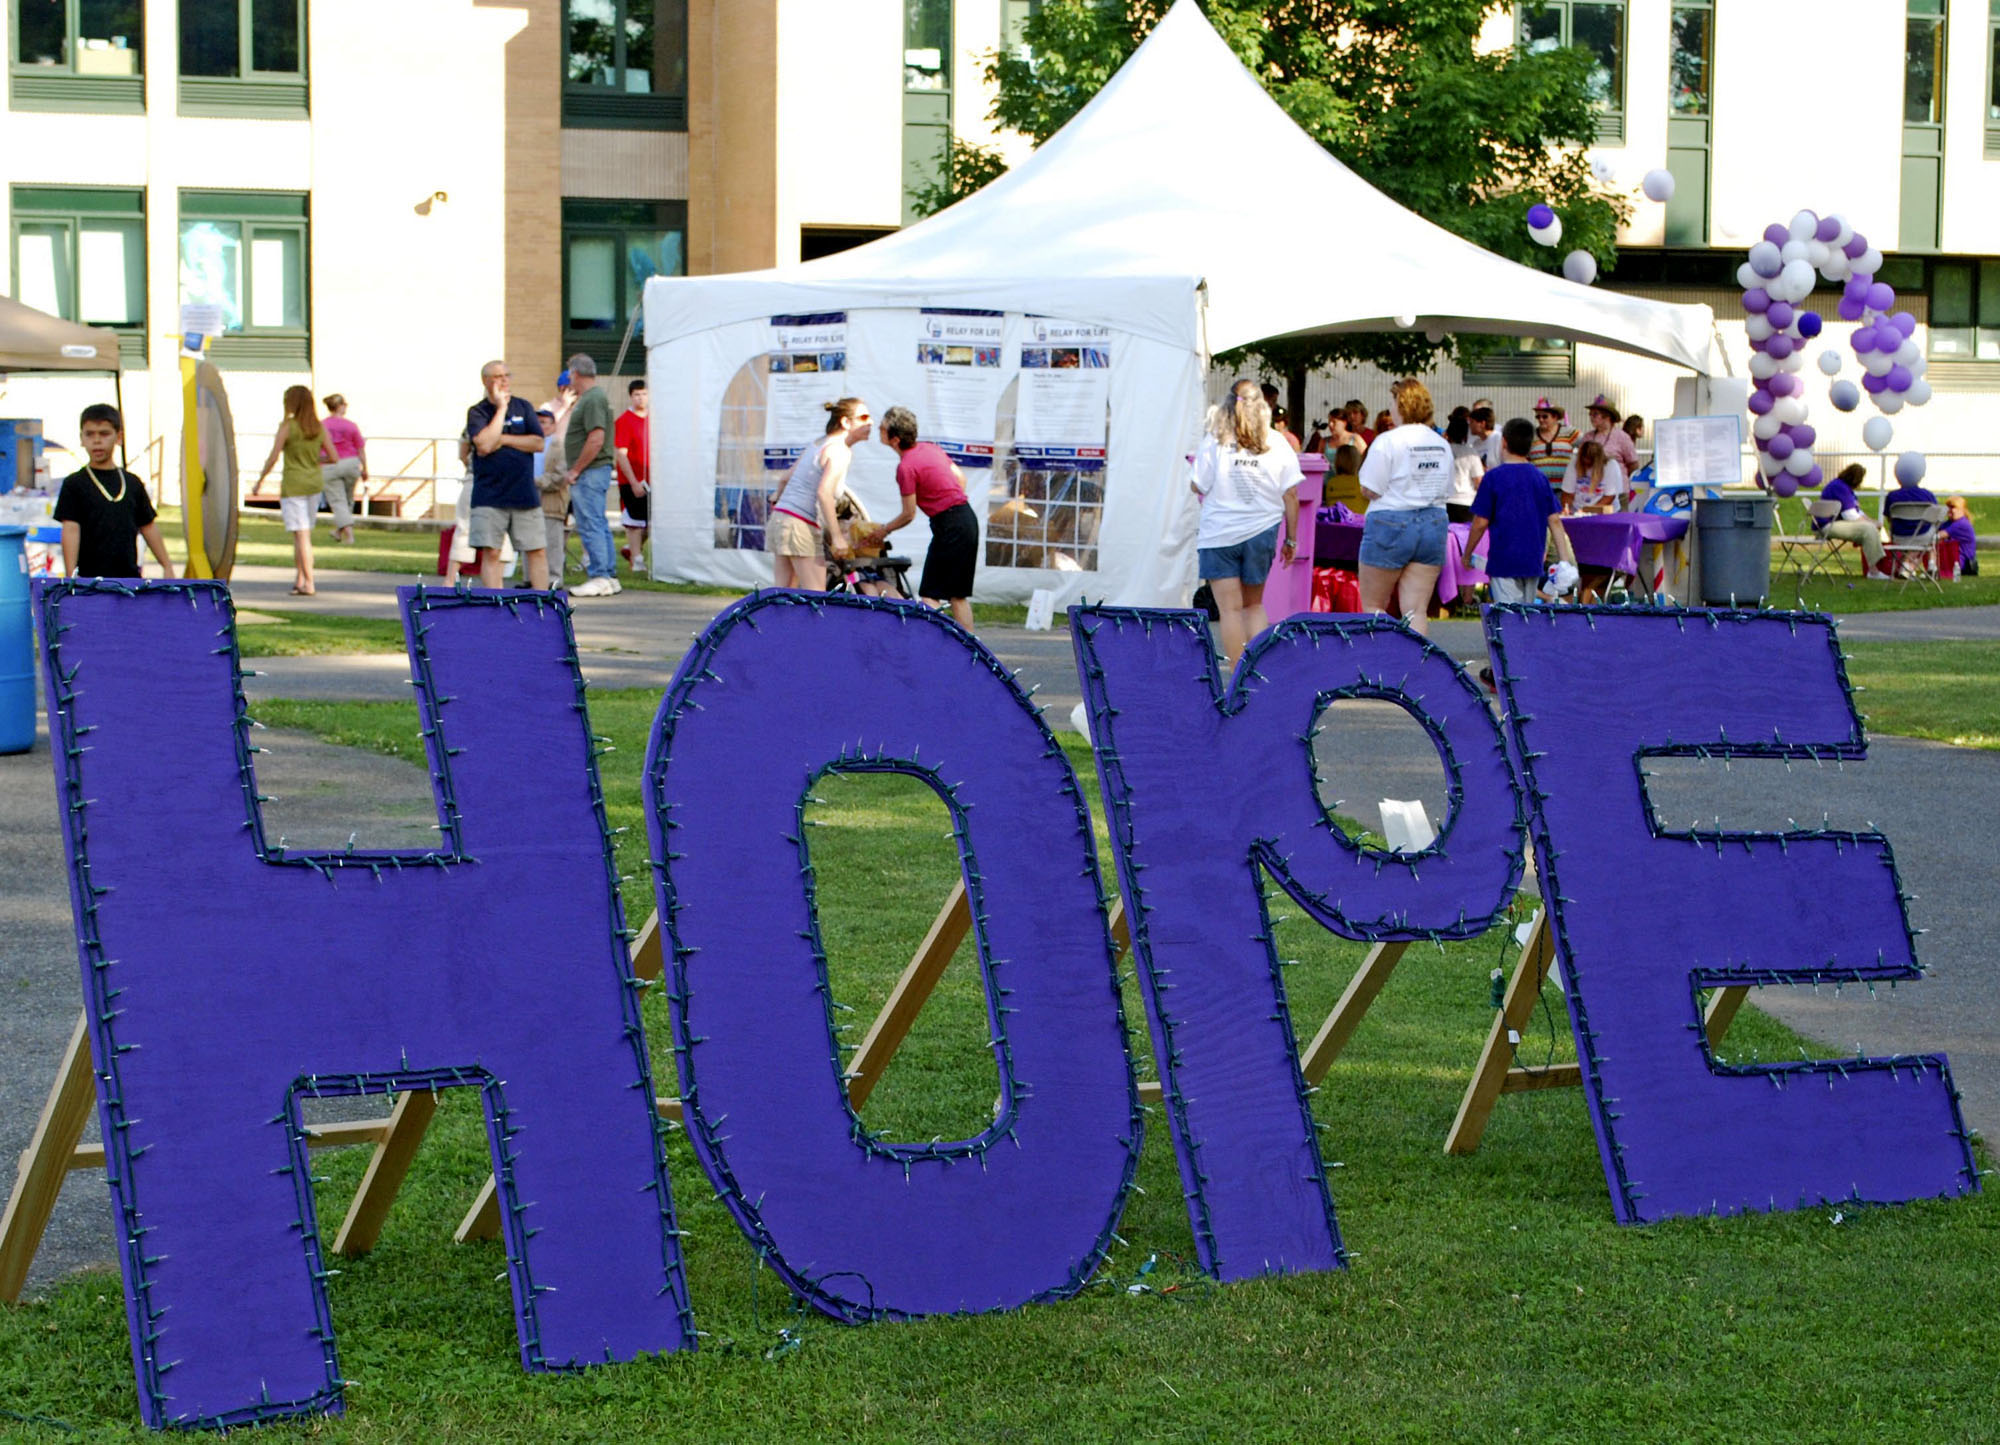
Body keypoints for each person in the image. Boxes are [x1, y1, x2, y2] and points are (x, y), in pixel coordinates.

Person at [1191, 387, 1302, 670]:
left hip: (1220, 533)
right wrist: (1291, 540)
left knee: (1229, 610)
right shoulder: (1277, 442)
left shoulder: (1215, 441)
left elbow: (1197, 485)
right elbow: (1291, 495)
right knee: (1254, 606)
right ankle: (1261, 672)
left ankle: (1239, 677)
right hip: (1261, 530)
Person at [1356, 379, 1454, 634]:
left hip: (1391, 520)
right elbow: (1447, 488)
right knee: (1416, 610)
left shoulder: (1387, 441)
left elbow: (1370, 489)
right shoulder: (1441, 443)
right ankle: (1415, 669)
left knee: (1374, 605)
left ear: (1401, 405)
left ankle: (1378, 666)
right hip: (1433, 521)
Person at [877, 405, 980, 630]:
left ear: (894, 439)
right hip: (966, 518)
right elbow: (960, 480)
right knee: (957, 594)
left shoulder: (905, 467)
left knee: (929, 595)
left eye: (882, 428)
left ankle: (933, 645)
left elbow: (908, 514)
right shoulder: (930, 449)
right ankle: (972, 648)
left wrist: (884, 530)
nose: (878, 429)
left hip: (950, 524)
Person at [55, 403, 174, 581]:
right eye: (90, 434)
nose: (96, 441)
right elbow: (71, 529)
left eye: (104, 434)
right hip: (89, 580)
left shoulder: (132, 483)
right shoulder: (74, 484)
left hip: (128, 579)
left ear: (119, 437)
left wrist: (167, 566)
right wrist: (72, 576)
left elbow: (148, 525)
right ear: (81, 439)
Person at [1466, 417, 1577, 604]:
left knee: (1509, 615)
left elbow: (1480, 522)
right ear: (1531, 446)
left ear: (1503, 443)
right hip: (1532, 560)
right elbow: (1555, 521)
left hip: (1503, 560)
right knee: (1528, 613)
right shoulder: (1540, 478)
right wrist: (1564, 561)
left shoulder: (1493, 478)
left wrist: (1468, 553)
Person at [462, 360, 549, 591]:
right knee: (492, 552)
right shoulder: (478, 412)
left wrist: (502, 439)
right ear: (485, 381)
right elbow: (484, 446)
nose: (503, 380)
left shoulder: (524, 407)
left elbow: (538, 442)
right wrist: (500, 410)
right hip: (489, 496)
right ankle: (494, 604)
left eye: (506, 375)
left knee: (536, 549)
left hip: (523, 494)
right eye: (497, 376)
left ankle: (543, 603)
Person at [767, 397, 869, 591]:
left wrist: (776, 499)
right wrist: (838, 538)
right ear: (846, 422)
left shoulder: (817, 444)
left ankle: (774, 622)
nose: (870, 422)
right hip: (798, 523)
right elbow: (824, 493)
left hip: (781, 518)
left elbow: (785, 478)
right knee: (817, 596)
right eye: (863, 417)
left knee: (783, 594)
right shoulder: (840, 451)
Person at [253, 385, 338, 595]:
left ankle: (309, 582)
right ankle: (299, 578)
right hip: (313, 484)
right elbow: (334, 457)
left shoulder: (288, 427)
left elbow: (273, 457)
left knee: (302, 536)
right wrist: (315, 459)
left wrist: (260, 481)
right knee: (301, 534)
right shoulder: (318, 427)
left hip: (294, 485)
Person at [562, 355, 620, 596]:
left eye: (569, 375)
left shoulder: (593, 399)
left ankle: (599, 575)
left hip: (590, 471)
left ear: (575, 373)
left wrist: (576, 469)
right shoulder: (594, 398)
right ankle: (608, 574)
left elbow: (596, 438)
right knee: (598, 521)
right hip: (595, 471)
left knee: (590, 523)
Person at [1814, 463, 1888, 578]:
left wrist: (1872, 521)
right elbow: (1850, 515)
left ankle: (1875, 568)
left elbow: (1857, 512)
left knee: (1869, 528)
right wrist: (1870, 523)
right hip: (1826, 525)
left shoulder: (1842, 487)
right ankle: (1874, 571)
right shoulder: (1840, 488)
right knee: (1868, 529)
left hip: (1832, 523)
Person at [319, 394, 368, 544]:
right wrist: (365, 469)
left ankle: (348, 535)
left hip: (329, 465)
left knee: (338, 501)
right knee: (348, 500)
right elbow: (360, 449)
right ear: (340, 406)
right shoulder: (351, 426)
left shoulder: (322, 425)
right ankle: (340, 533)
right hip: (351, 463)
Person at [614, 379, 650, 573]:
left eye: (644, 394)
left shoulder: (654, 419)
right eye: (637, 394)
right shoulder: (624, 421)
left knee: (650, 523)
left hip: (652, 478)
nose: (641, 398)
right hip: (632, 479)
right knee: (634, 523)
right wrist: (633, 481)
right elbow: (621, 454)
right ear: (630, 396)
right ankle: (637, 559)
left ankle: (631, 549)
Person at [1562, 438, 1627, 514]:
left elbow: (1609, 497)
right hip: (1578, 510)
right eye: (1584, 463)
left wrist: (1588, 512)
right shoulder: (1574, 462)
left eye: (1590, 464)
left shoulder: (1611, 465)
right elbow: (1568, 493)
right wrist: (1567, 509)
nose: (1587, 467)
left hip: (1604, 512)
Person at [1527, 399, 1579, 490]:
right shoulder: (1531, 435)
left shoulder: (1570, 432)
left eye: (1545, 416)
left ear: (1555, 417)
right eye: (1538, 417)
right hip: (1539, 489)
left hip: (1565, 489)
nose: (1541, 419)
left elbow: (1588, 448)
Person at [1444, 410, 1484, 523]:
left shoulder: (1443, 451)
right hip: (1466, 502)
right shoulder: (1471, 452)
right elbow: (1478, 481)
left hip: (1446, 501)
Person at [1583, 395, 1639, 474]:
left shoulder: (1622, 437)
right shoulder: (1588, 437)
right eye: (1590, 414)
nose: (1591, 417)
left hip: (1617, 485)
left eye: (1595, 414)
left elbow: (1633, 465)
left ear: (1607, 416)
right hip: (1592, 483)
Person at [1943, 496, 1979, 577]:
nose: (1950, 510)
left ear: (1962, 509)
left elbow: (1938, 535)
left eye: (1953, 507)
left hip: (1963, 565)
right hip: (1953, 561)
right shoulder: (1949, 523)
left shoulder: (1962, 524)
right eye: (1948, 507)